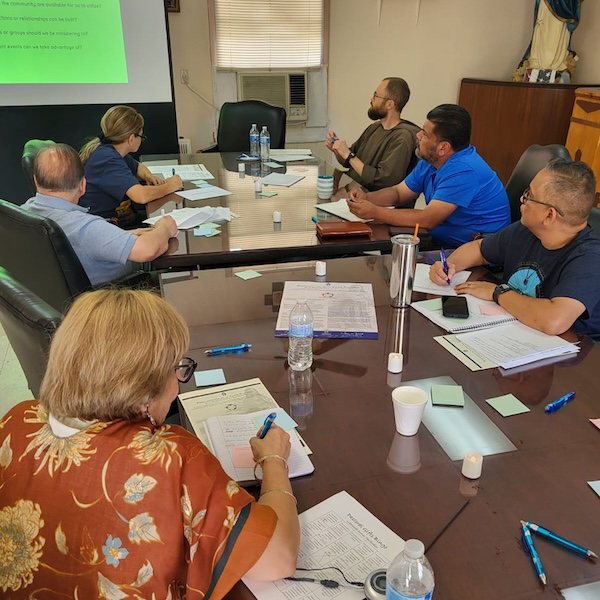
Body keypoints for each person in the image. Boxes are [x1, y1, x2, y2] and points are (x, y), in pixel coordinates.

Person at [0, 289, 299, 597]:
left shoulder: (15, 422)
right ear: (143, 392)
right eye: (177, 369)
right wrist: (274, 461)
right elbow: (278, 559)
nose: (178, 385)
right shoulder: (169, 457)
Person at [429, 158, 600, 339]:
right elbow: (479, 249)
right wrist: (449, 266)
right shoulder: (526, 230)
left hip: (568, 354)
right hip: (515, 329)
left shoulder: (589, 258)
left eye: (529, 196)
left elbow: (554, 321)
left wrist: (498, 292)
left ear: (549, 215)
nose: (521, 199)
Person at [347, 104, 511, 247]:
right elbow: (398, 193)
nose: (418, 135)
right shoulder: (430, 160)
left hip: (476, 251)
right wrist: (367, 198)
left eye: (424, 134)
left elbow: (427, 219)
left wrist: (375, 212)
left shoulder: (464, 170)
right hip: (444, 239)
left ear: (443, 148)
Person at [23, 143, 179, 285]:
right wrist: (164, 228)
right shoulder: (85, 227)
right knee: (176, 277)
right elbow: (148, 250)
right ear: (83, 186)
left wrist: (122, 235)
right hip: (113, 297)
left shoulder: (23, 212)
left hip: (54, 300)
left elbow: (81, 244)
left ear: (36, 180)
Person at [79, 105, 183, 227]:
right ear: (131, 138)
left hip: (121, 218)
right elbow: (141, 196)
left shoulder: (112, 150)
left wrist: (149, 177)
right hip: (105, 225)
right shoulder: (108, 159)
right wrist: (170, 186)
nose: (141, 140)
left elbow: (138, 167)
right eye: (141, 136)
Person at [325, 78, 420, 193]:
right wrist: (337, 150)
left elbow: (382, 181)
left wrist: (348, 156)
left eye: (376, 96)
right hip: (351, 192)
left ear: (390, 104)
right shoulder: (374, 128)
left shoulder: (403, 137)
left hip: (372, 202)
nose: (371, 99)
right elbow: (348, 162)